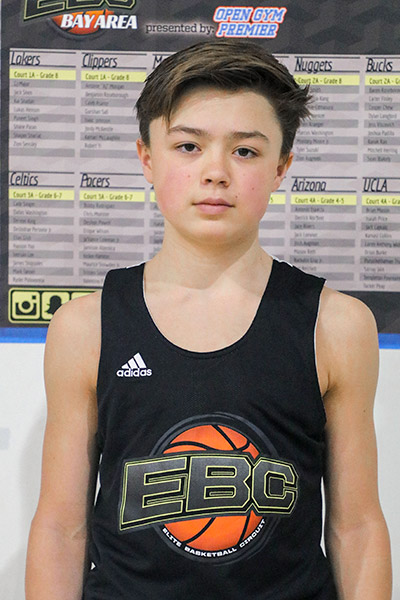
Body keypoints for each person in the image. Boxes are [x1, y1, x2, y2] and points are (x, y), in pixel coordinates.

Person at [26, 40, 392, 599]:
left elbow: (357, 526)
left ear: (281, 167)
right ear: (147, 158)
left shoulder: (337, 325)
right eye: (189, 146)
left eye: (245, 151)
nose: (216, 172)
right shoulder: (86, 326)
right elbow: (60, 527)